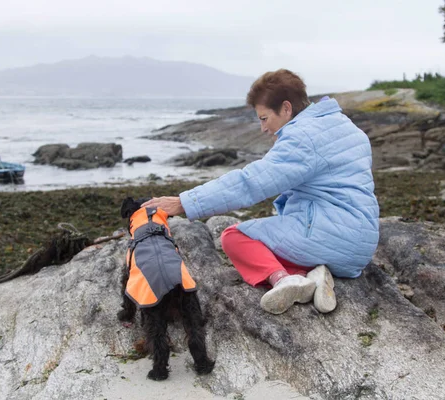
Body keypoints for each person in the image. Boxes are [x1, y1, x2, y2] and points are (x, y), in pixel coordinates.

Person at [142, 69, 379, 315]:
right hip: (361, 247)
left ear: (286, 109)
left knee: (235, 237)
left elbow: (251, 183)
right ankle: (316, 275)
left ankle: (284, 280)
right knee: (274, 243)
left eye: (264, 118)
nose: (263, 128)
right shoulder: (346, 127)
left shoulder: (302, 137)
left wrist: (184, 202)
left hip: (330, 237)